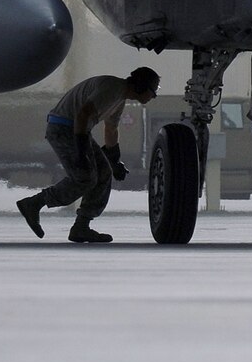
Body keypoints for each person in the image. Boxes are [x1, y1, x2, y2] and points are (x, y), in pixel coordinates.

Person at [16, 67, 161, 244]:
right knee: (84, 178)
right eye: (153, 91)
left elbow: (111, 128)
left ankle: (81, 227)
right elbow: (83, 114)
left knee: (104, 173)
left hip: (77, 129)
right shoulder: (112, 89)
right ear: (141, 86)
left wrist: (114, 160)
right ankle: (34, 203)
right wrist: (81, 150)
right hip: (65, 128)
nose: (153, 96)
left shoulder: (119, 97)